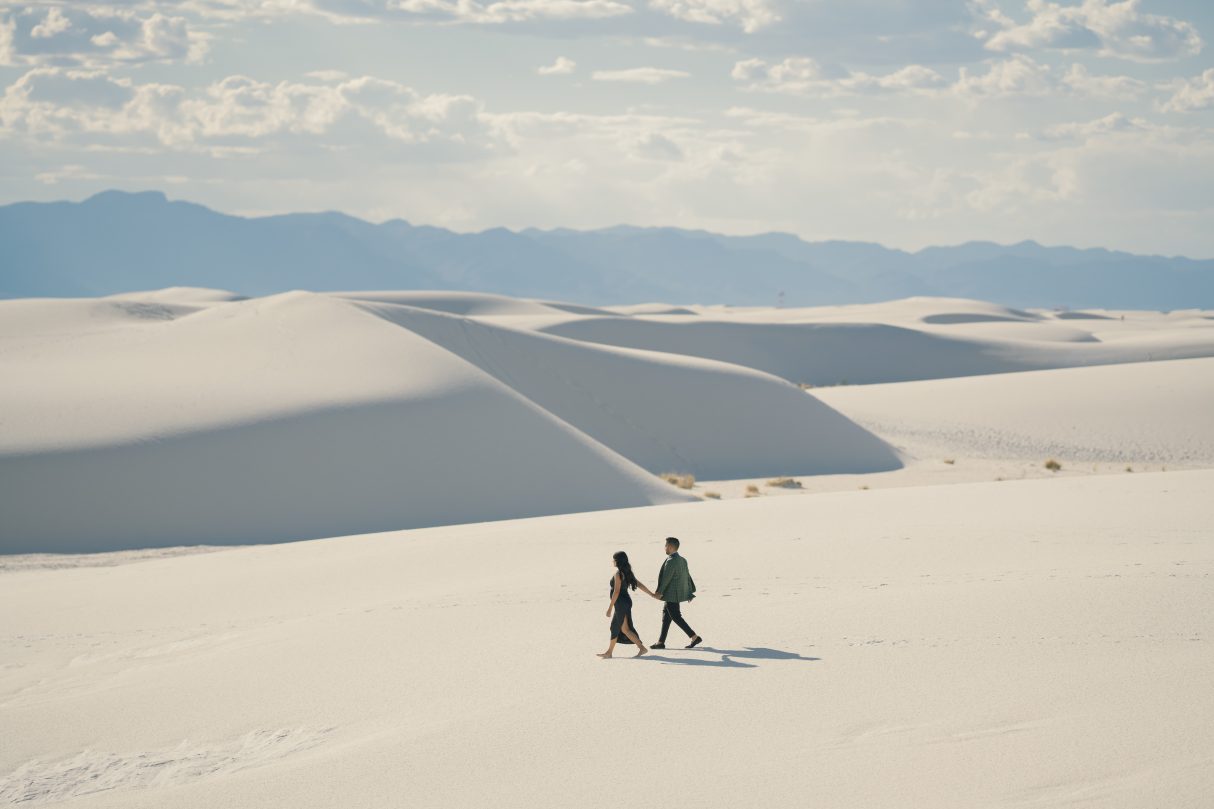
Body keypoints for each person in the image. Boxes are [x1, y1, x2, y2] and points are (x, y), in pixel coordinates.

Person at [597, 551, 653, 659]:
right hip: (626, 602)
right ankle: (640, 648)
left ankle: (610, 652)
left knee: (619, 628)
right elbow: (639, 584)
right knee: (623, 629)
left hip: (621, 603)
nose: (612, 561)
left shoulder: (618, 574)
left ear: (617, 561)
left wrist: (609, 608)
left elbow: (616, 592)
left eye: (614, 559)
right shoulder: (627, 572)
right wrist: (651, 594)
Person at [651, 536, 702, 649]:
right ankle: (661, 642)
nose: (664, 548)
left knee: (676, 616)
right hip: (676, 594)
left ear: (669, 546)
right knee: (666, 616)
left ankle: (694, 637)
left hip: (671, 594)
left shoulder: (671, 561)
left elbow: (666, 579)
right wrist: (689, 592)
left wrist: (659, 592)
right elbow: (687, 577)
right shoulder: (683, 560)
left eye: (665, 546)